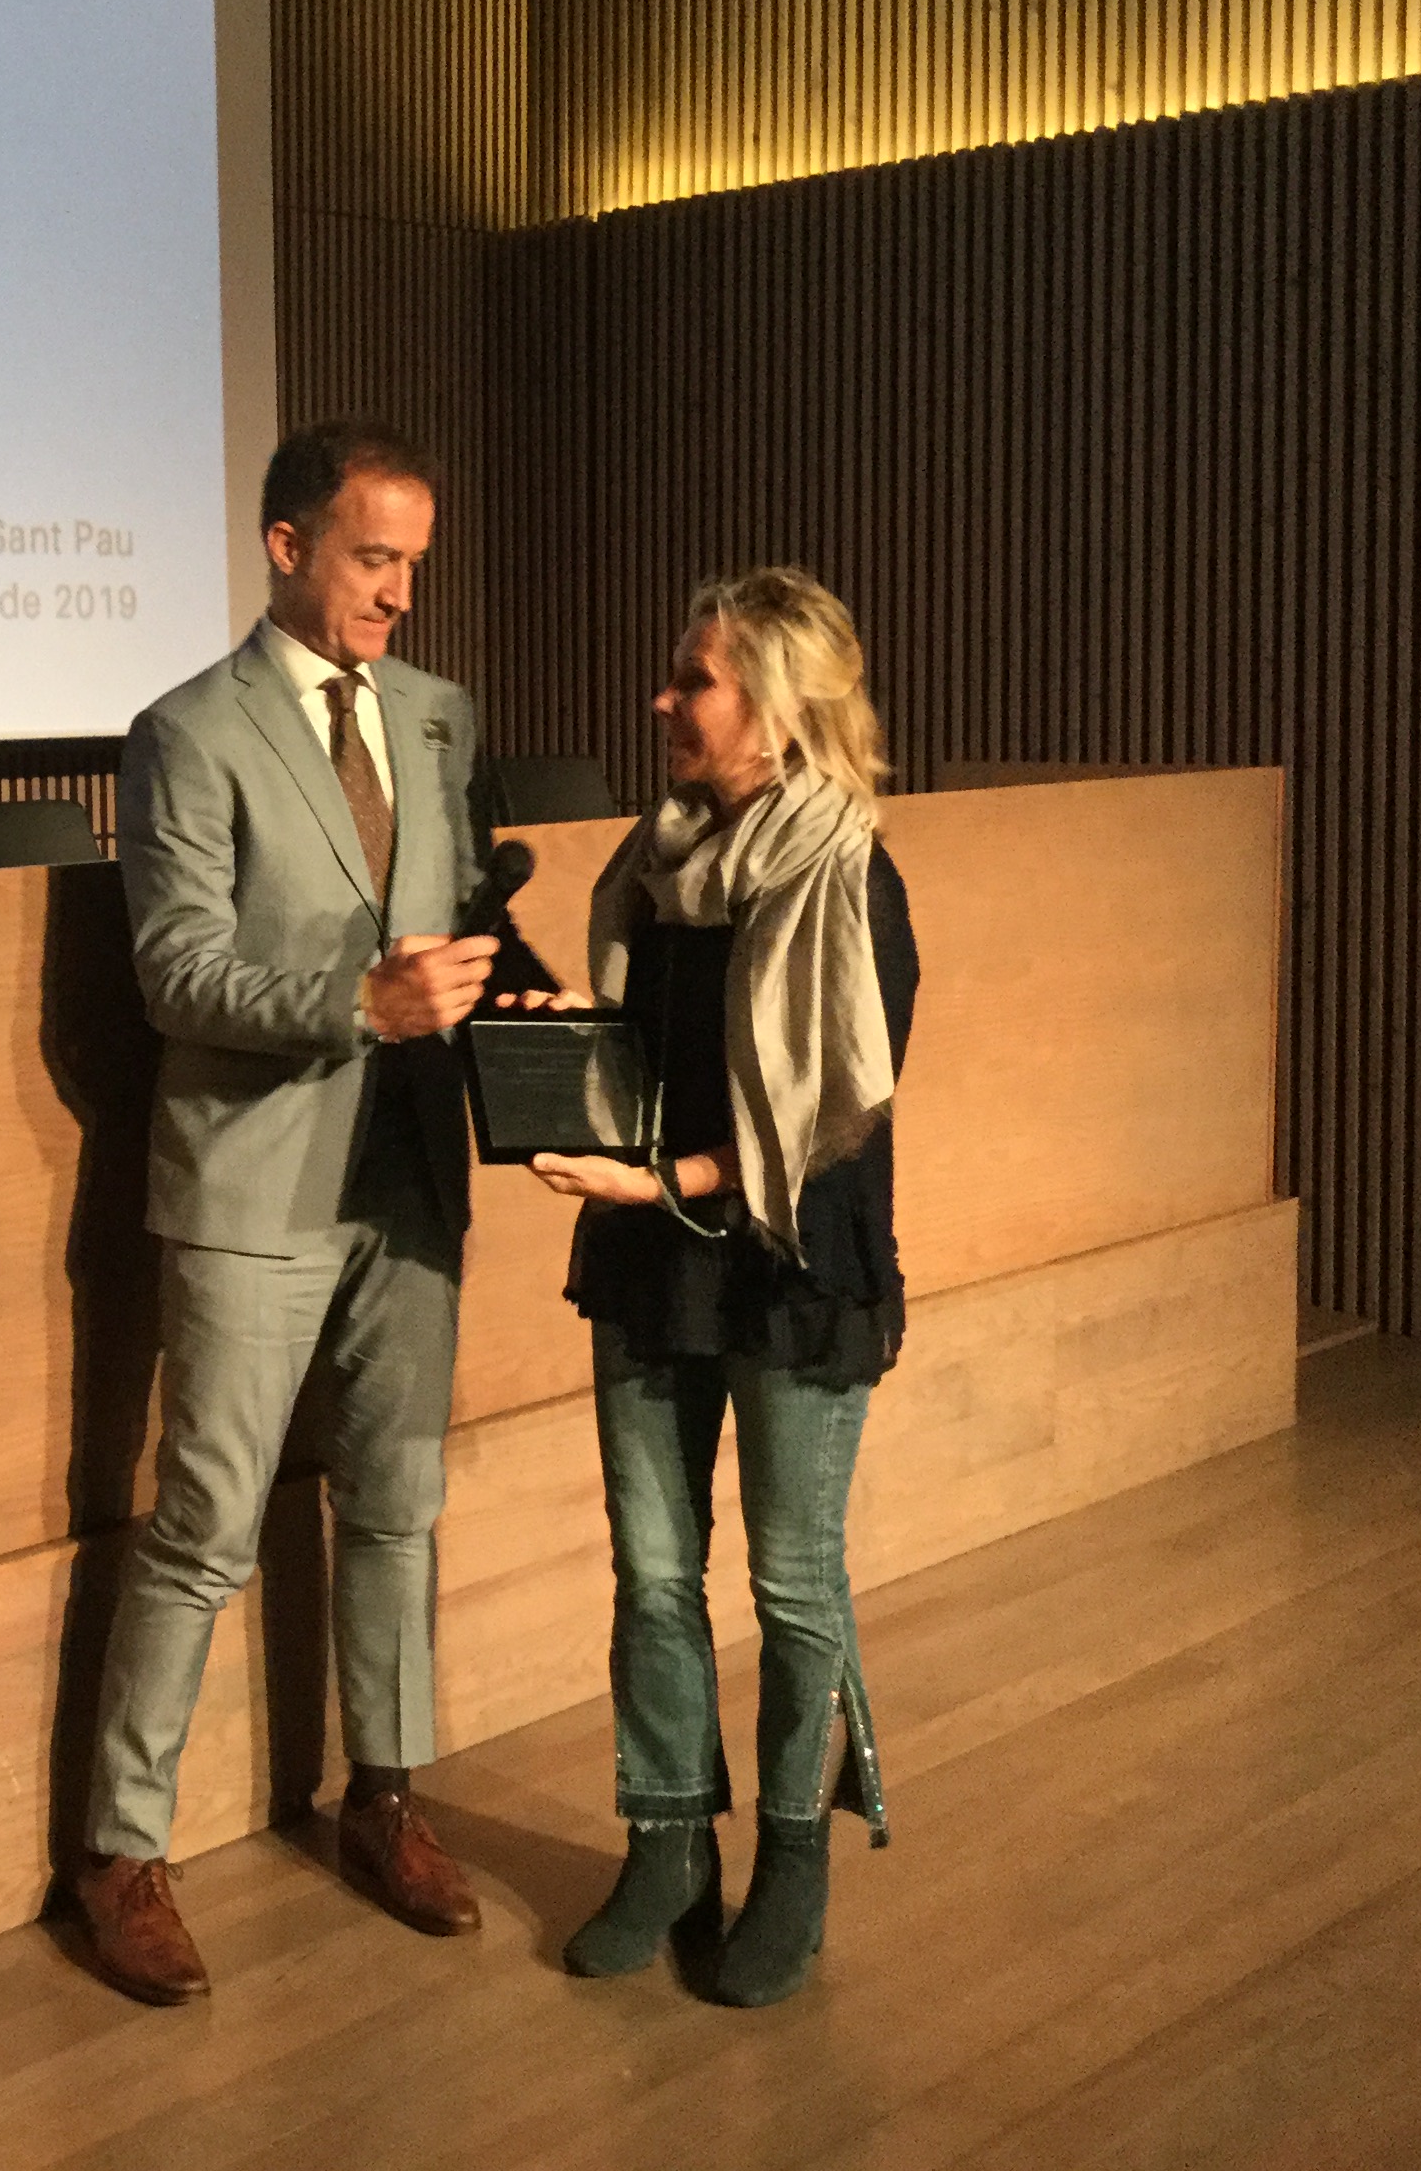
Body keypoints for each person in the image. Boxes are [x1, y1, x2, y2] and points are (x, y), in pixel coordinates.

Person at [69, 421, 501, 2006]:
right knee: (204, 1528)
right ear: (286, 545)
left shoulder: (439, 716)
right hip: (256, 1176)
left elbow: (460, 920)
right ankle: (121, 1853)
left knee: (398, 1504)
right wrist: (357, 1006)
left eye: (413, 564)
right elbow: (174, 971)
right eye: (374, 558)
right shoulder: (186, 731)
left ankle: (387, 1798)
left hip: (412, 1175)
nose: (398, 593)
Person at [519, 566, 917, 2009]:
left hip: (788, 1266)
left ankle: (794, 1859)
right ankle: (670, 1841)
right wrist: (573, 1043)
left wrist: (668, 1180)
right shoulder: (659, 857)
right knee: (652, 1570)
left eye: (696, 680)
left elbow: (833, 1126)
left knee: (793, 1582)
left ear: (782, 708)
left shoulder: (851, 875)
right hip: (650, 1258)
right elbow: (653, 1058)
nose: (663, 700)